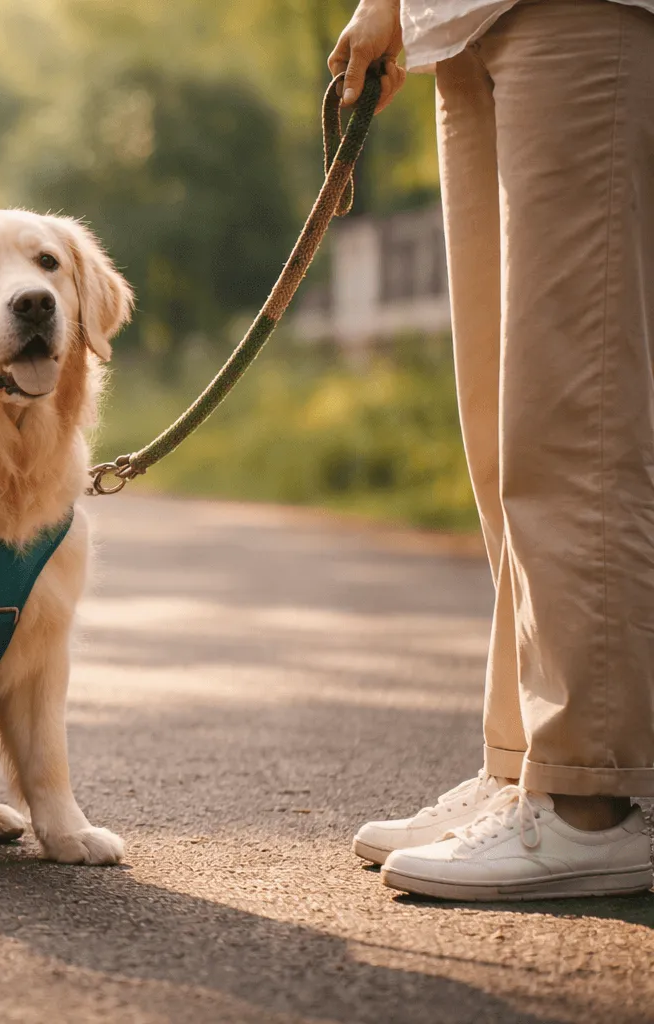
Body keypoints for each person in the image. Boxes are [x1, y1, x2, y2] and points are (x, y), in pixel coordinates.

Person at [330, 0, 654, 900]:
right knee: (503, 422)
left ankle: (596, 798)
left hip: (578, 14)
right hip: (459, 21)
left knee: (572, 411)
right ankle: (524, 768)